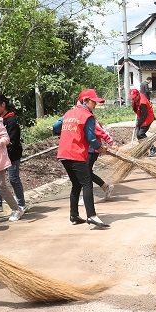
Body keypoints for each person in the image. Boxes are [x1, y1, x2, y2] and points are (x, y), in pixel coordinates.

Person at [54, 90, 110, 229]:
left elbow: (56, 127)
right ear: (85, 101)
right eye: (93, 102)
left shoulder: (69, 113)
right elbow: (91, 138)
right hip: (75, 154)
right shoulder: (87, 116)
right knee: (87, 184)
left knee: (76, 184)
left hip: (63, 154)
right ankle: (91, 216)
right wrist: (100, 148)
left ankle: (74, 215)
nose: (95, 104)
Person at [0, 94, 25, 217]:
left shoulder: (11, 120)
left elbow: (13, 140)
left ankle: (21, 204)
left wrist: (3, 149)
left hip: (12, 156)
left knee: (13, 179)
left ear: (3, 104)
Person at [131, 87, 156, 156]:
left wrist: (137, 124)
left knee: (141, 134)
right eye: (132, 98)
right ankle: (144, 150)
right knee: (138, 135)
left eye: (134, 98)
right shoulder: (136, 99)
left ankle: (152, 148)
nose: (133, 99)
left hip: (147, 118)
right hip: (142, 117)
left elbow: (144, 115)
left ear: (138, 95)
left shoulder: (143, 102)